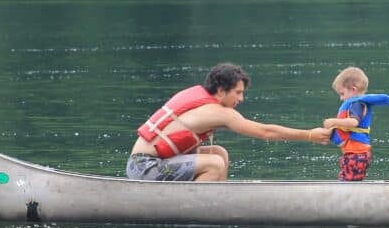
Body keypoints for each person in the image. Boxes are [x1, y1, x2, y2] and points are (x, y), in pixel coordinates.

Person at [127, 62, 330, 182]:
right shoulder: (220, 112)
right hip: (144, 167)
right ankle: (193, 210)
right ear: (221, 91)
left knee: (219, 153)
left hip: (151, 164)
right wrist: (309, 135)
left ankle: (214, 201)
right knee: (214, 164)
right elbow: (265, 132)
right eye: (238, 93)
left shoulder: (200, 98)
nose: (241, 99)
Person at [324, 66, 389, 181]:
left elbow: (354, 122)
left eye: (342, 93)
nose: (341, 98)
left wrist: (333, 121)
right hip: (356, 152)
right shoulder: (356, 103)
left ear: (353, 89)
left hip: (356, 153)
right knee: (349, 178)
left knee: (348, 180)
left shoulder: (356, 104)